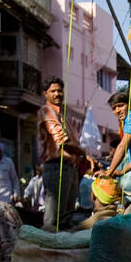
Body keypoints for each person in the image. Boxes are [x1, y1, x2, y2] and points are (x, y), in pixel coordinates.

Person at [36, 77, 85, 230]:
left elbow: (73, 143)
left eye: (59, 90)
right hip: (56, 167)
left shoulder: (63, 115)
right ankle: (47, 252)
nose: (57, 94)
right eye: (53, 91)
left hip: (70, 168)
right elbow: (63, 141)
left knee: (67, 220)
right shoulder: (46, 111)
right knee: (53, 220)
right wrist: (84, 154)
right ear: (45, 94)